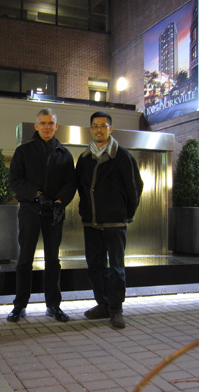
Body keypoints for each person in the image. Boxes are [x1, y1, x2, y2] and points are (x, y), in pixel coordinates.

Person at [7, 108, 77, 322]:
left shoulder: (65, 154)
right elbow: (15, 181)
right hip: (29, 210)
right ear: (36, 126)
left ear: (56, 126)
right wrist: (37, 196)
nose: (47, 127)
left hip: (54, 212)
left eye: (51, 123)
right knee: (25, 259)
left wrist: (59, 202)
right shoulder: (23, 151)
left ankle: (53, 305)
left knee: (53, 260)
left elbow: (70, 183)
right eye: (43, 123)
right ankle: (19, 305)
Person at [76, 111, 143, 329]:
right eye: (95, 126)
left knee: (116, 267)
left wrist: (126, 214)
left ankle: (116, 309)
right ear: (91, 129)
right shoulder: (84, 159)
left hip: (115, 222)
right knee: (95, 265)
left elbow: (135, 187)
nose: (99, 130)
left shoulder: (122, 156)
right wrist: (85, 211)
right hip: (91, 222)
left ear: (110, 129)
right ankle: (103, 304)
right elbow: (82, 189)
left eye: (103, 126)